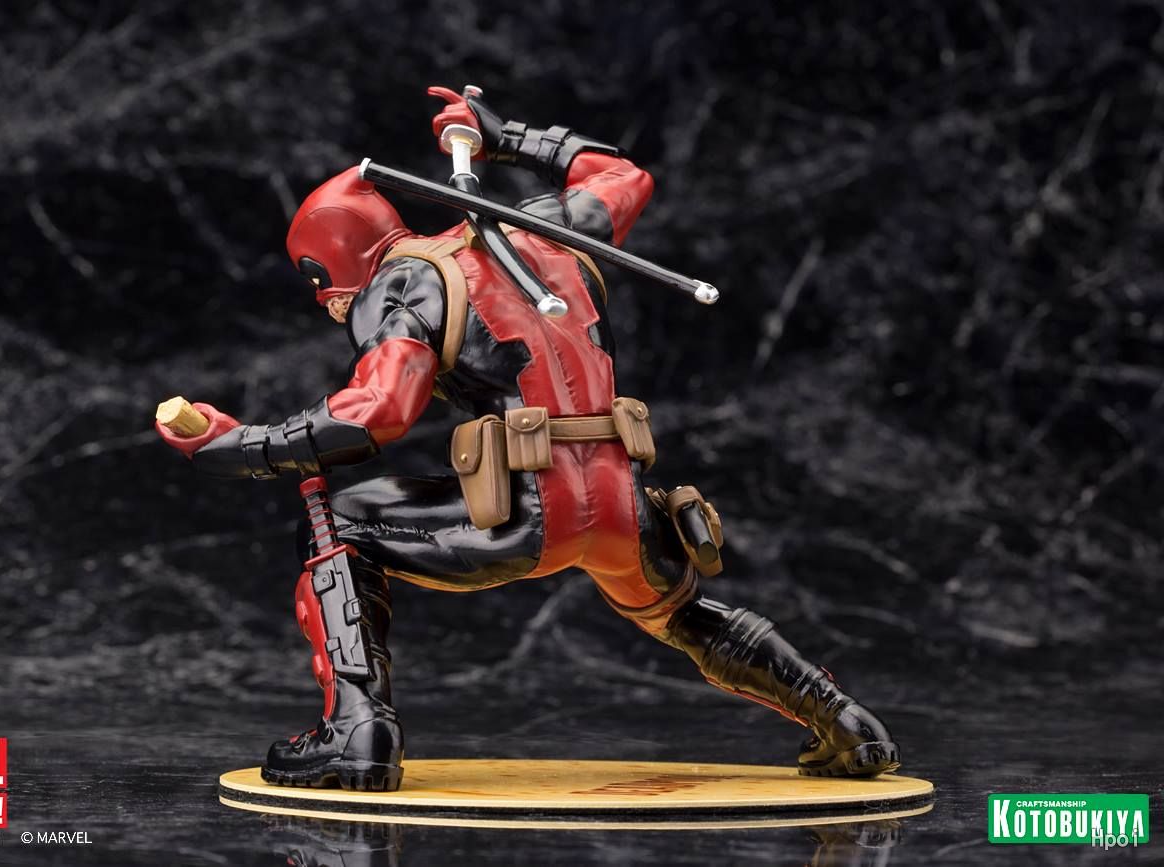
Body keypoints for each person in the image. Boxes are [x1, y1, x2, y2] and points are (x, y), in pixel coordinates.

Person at [157, 86, 901, 792]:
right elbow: (622, 177)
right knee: (683, 613)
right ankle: (844, 721)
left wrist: (240, 444)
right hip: (623, 503)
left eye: (326, 291)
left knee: (338, 522)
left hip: (528, 514)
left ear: (332, 266)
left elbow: (373, 413)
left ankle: (358, 730)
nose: (333, 309)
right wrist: (506, 135)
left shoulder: (403, 285)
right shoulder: (540, 229)